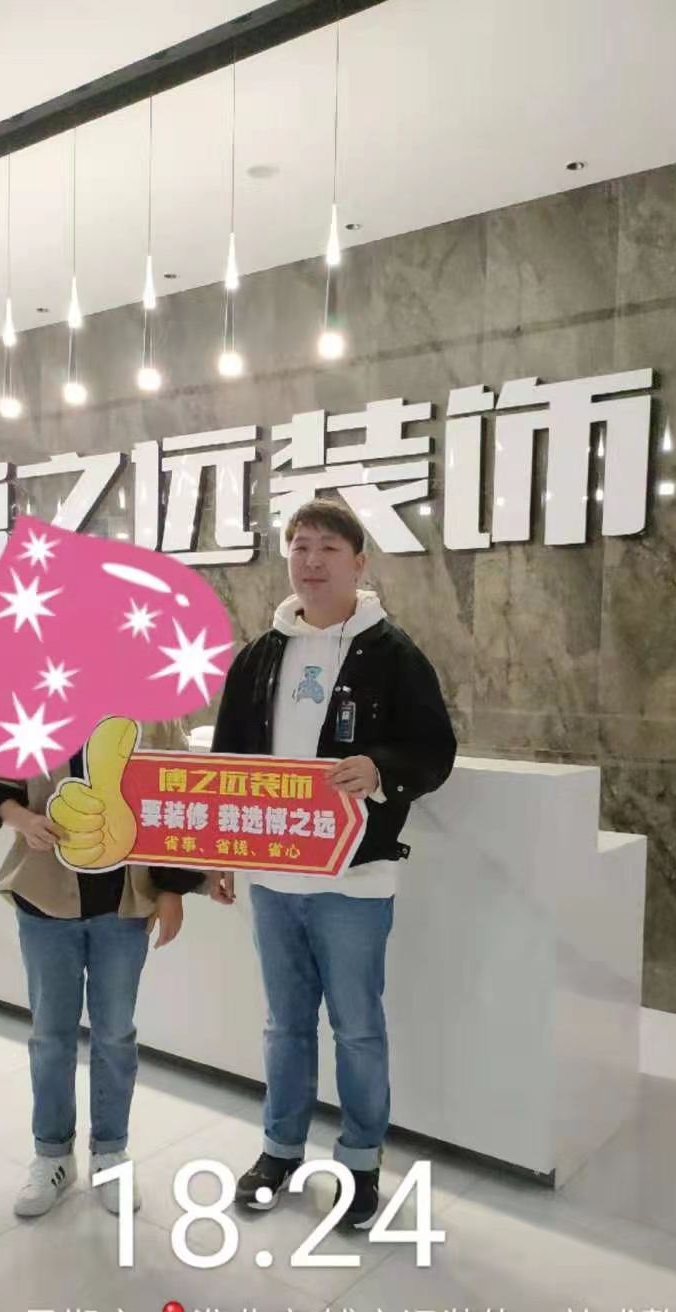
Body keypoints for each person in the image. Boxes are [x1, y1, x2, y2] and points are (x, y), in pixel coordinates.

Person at [208, 499, 456, 1229]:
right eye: (300, 547)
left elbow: (434, 751)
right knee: (285, 1026)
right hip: (271, 878)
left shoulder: (393, 654)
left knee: (357, 1028)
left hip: (354, 877)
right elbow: (227, 762)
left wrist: (380, 769)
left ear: (359, 562)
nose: (311, 561)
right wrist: (216, 855)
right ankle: (280, 1150)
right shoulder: (259, 656)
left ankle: (360, 1163)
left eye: (328, 548)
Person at [0, 719, 202, 1219]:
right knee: (51, 1034)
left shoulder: (156, 712)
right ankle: (52, 1155)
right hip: (45, 899)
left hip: (125, 904)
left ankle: (110, 1153)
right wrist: (24, 819)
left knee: (115, 1033)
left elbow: (178, 794)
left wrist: (173, 888)